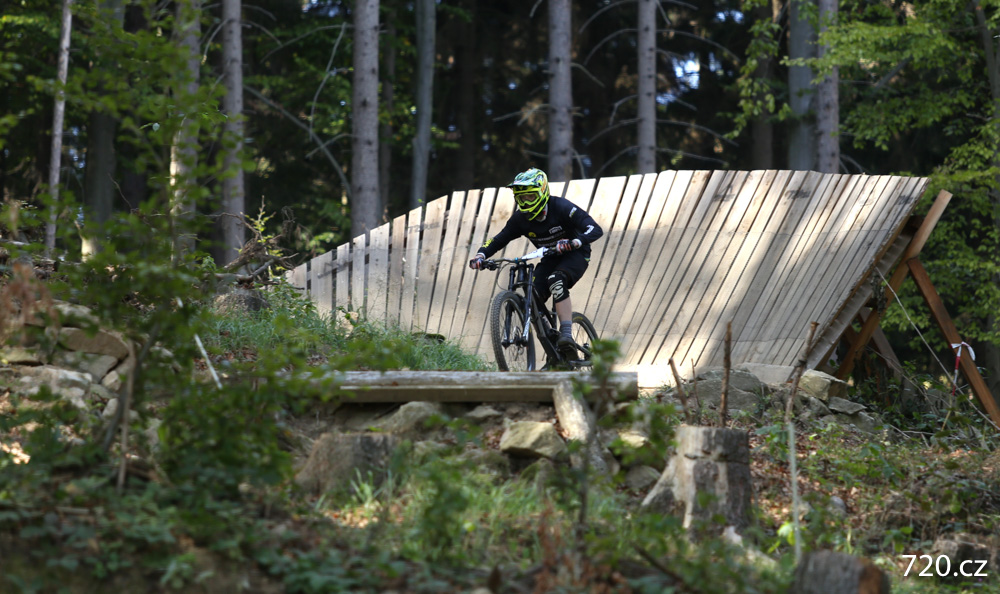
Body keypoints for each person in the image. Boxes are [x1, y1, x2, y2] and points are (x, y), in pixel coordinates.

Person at [469, 167, 603, 359]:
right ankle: (553, 346)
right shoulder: (520, 219)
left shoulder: (560, 206)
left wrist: (575, 242)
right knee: (530, 300)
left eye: (530, 197)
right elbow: (499, 239)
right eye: (521, 198)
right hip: (550, 257)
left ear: (542, 192)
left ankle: (566, 334)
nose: (526, 202)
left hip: (576, 254)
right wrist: (480, 255)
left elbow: (595, 228)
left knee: (556, 280)